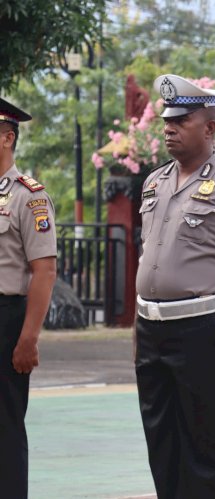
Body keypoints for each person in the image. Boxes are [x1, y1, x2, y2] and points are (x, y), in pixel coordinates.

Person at [134, 74, 215, 498]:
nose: (169, 128)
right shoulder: (154, 182)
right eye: (167, 120)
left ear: (210, 127)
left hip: (203, 329)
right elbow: (146, 256)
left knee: (202, 442)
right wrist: (138, 328)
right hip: (151, 328)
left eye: (181, 120)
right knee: (160, 438)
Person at [0, 98, 57, 499]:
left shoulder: (29, 196)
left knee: (4, 424)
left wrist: (28, 338)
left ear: (7, 137)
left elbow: (44, 271)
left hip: (7, 317)